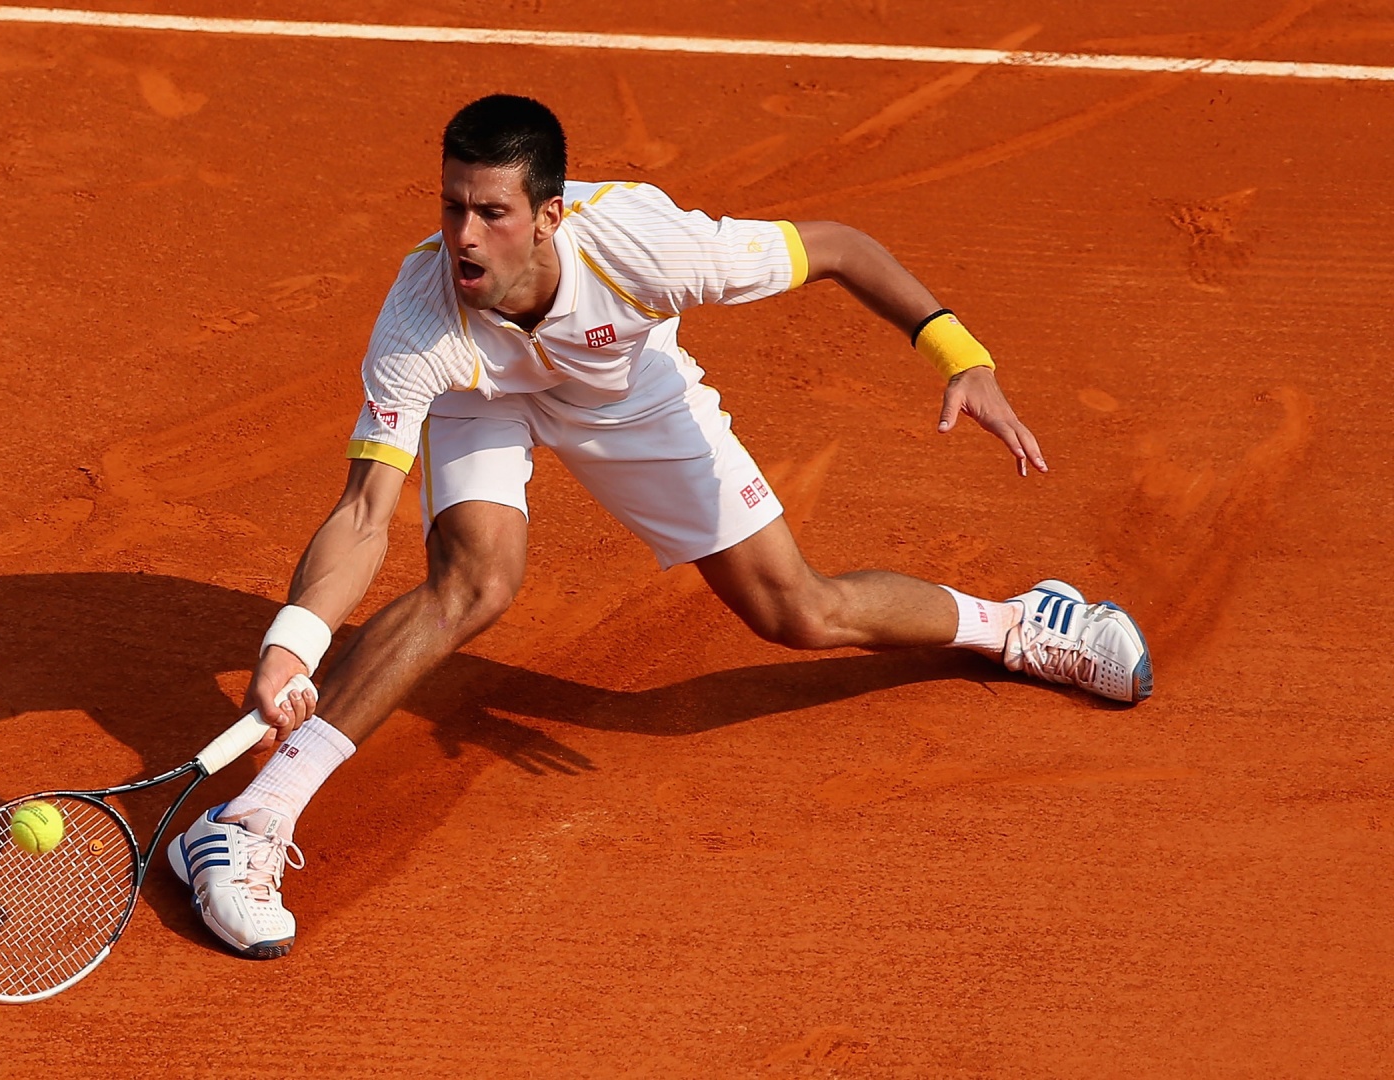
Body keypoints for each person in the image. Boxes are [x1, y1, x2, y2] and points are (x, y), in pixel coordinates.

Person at [166, 94, 1152, 958]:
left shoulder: (646, 242)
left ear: (549, 216)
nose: (465, 237)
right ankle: (249, 819)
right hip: (486, 390)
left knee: (799, 611)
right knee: (476, 582)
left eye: (492, 213)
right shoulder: (423, 318)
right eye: (452, 206)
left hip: (626, 395)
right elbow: (363, 510)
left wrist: (957, 351)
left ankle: (1019, 624)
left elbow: (842, 250)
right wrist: (292, 642)